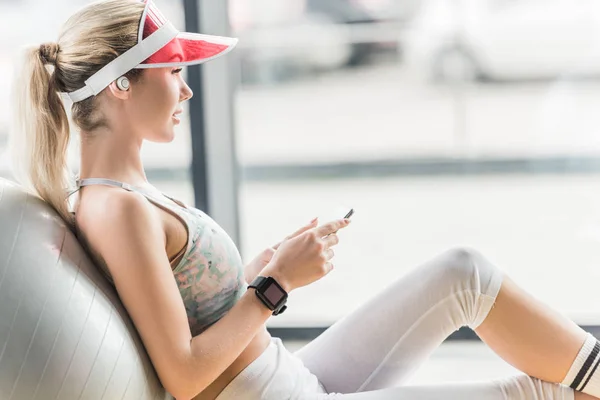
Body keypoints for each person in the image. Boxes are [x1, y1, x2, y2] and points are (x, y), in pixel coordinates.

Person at [7, 0, 600, 399]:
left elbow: (181, 307)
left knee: (463, 271)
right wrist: (275, 287)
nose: (187, 87)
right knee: (548, 390)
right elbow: (184, 377)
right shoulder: (118, 207)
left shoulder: (119, 197)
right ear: (120, 84)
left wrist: (260, 270)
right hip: (280, 392)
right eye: (173, 70)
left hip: (285, 376)